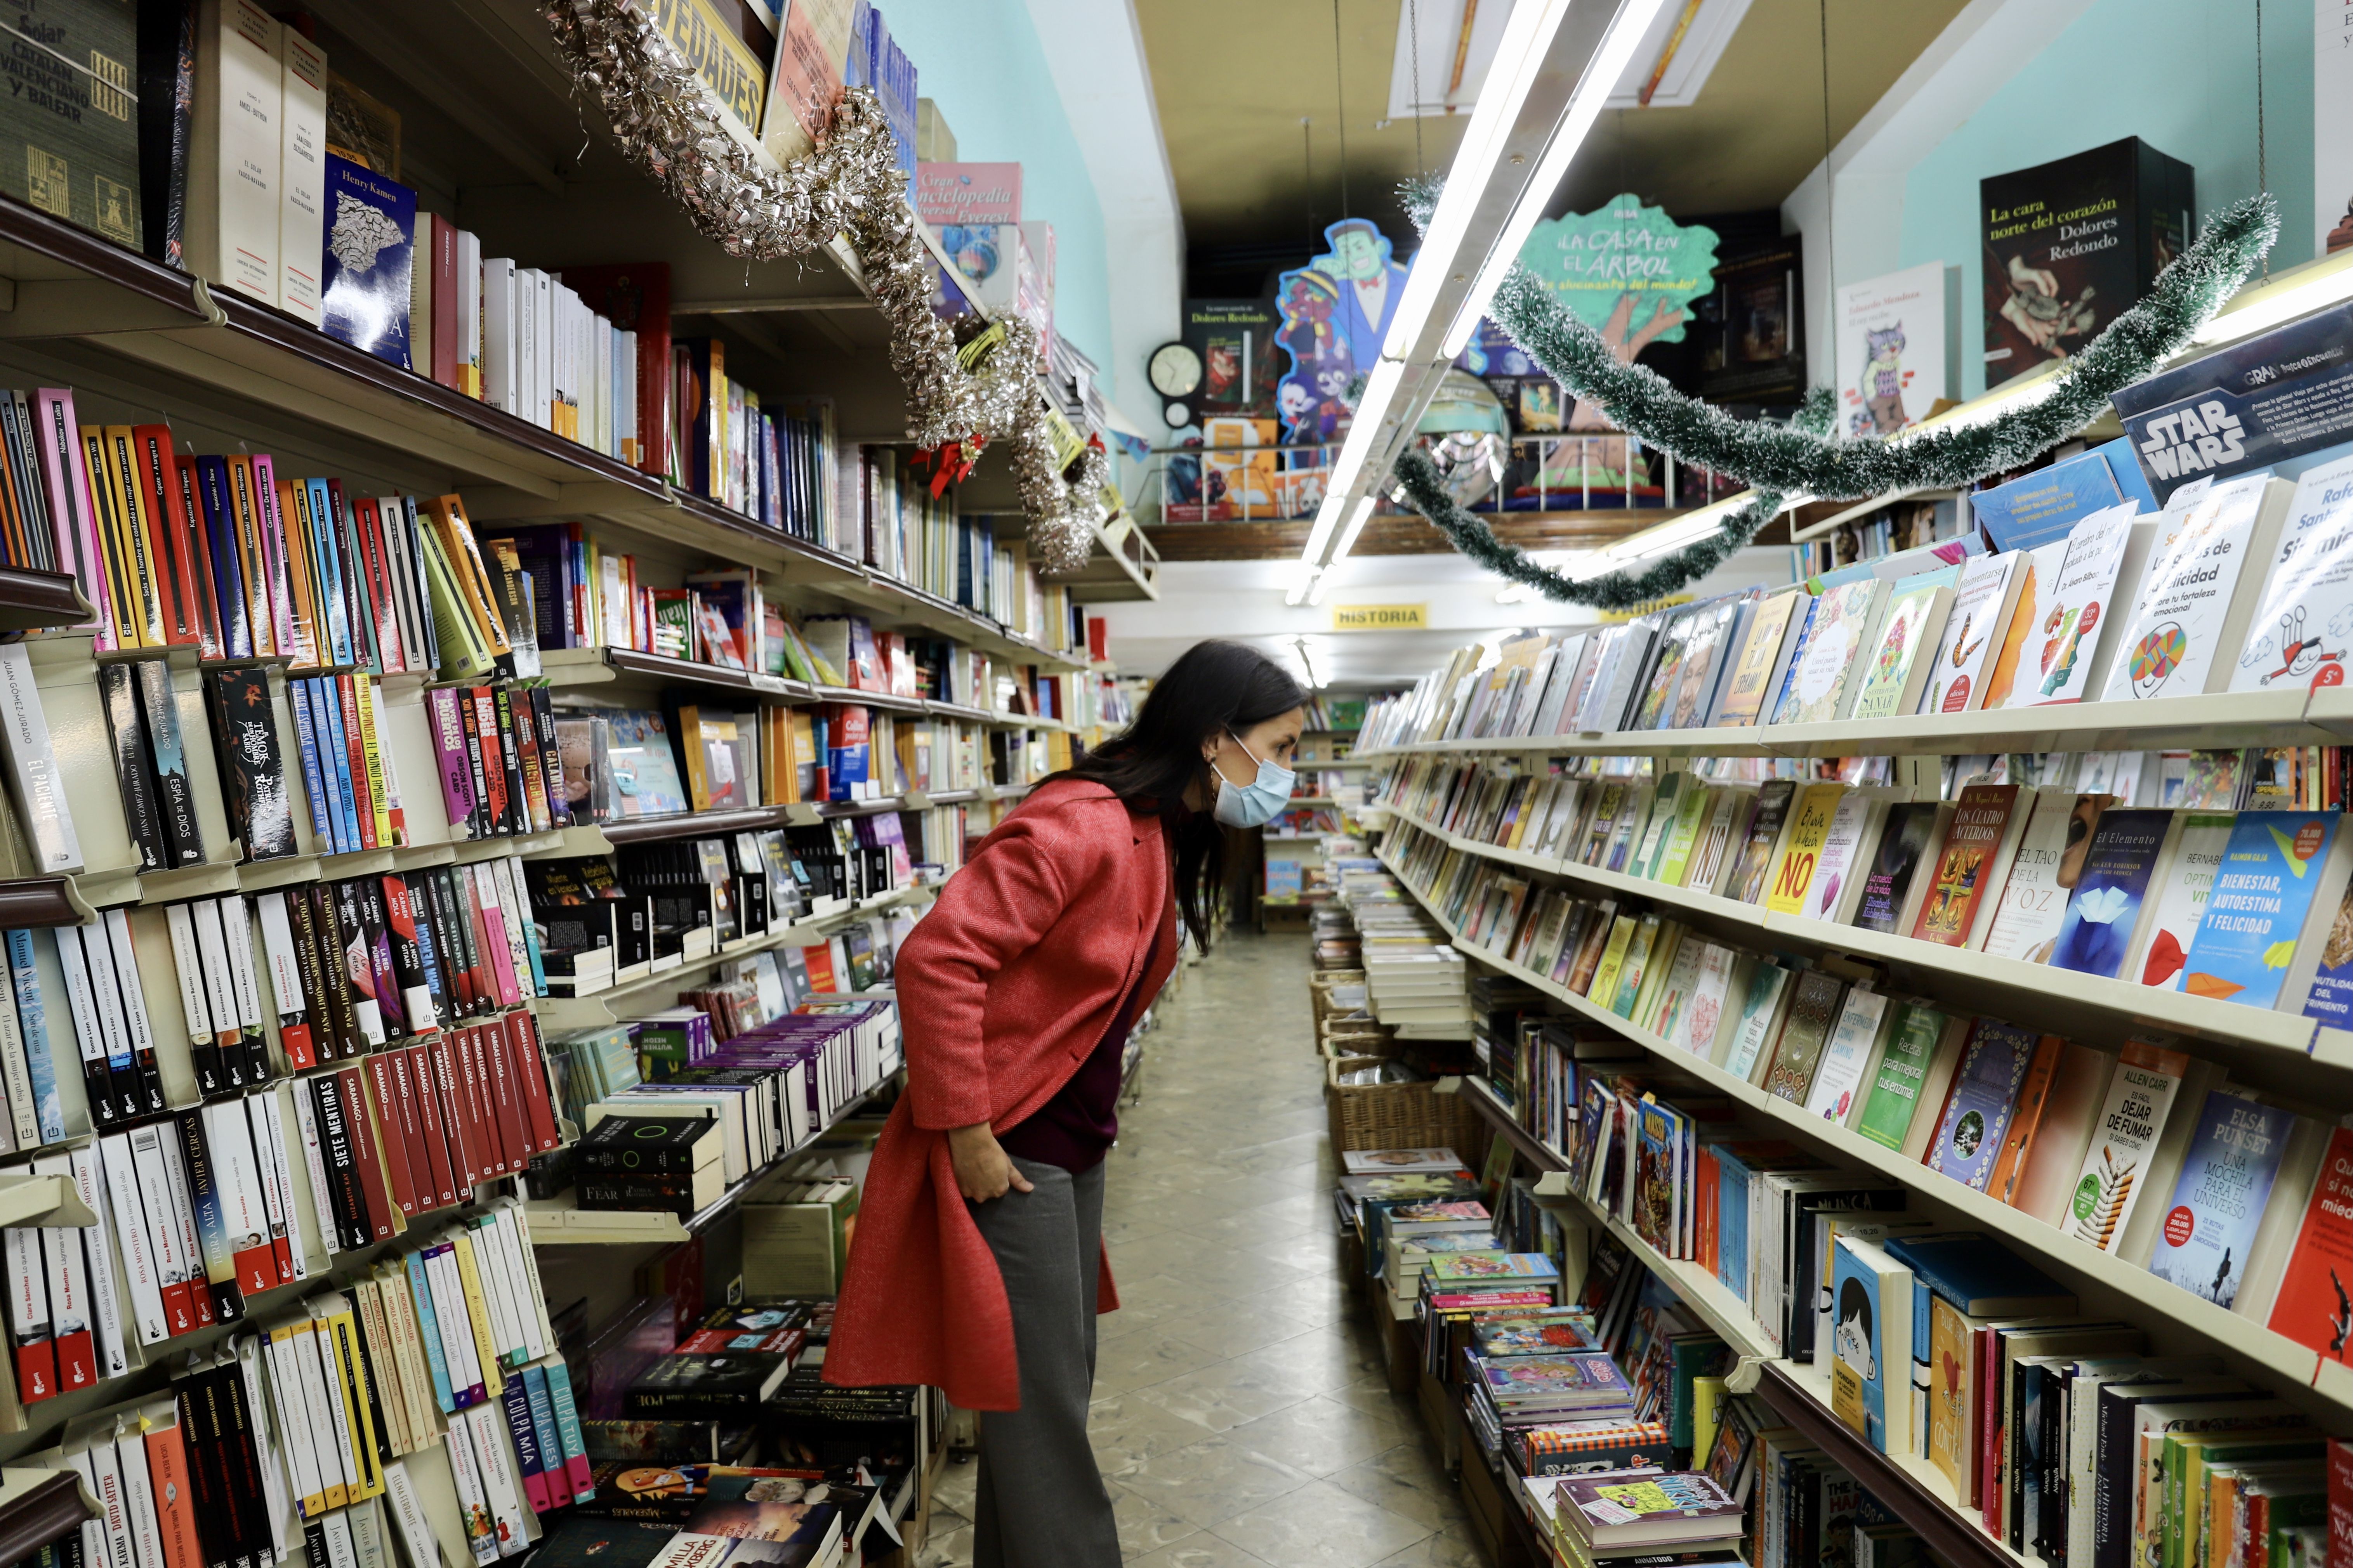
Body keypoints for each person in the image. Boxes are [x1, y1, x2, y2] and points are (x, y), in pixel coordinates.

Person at [823, 640, 1310, 1568]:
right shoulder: (1084, 824)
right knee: (1043, 1411)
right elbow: (936, 958)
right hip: (1015, 1151)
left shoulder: (1158, 827)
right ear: (1217, 738)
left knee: (1041, 1398)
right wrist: (967, 1130)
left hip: (1070, 1143)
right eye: (1280, 746)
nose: (1288, 771)